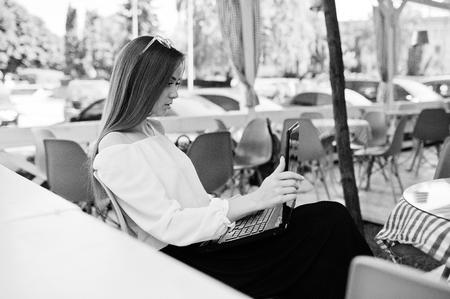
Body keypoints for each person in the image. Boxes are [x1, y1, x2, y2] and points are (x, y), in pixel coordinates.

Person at [89, 35, 373, 299]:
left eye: (177, 82)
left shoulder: (151, 130)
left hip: (211, 239)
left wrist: (255, 206)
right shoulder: (116, 149)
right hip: (195, 259)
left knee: (329, 217)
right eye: (169, 82)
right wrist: (255, 200)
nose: (175, 93)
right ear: (142, 83)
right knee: (329, 223)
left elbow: (197, 204)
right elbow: (171, 225)